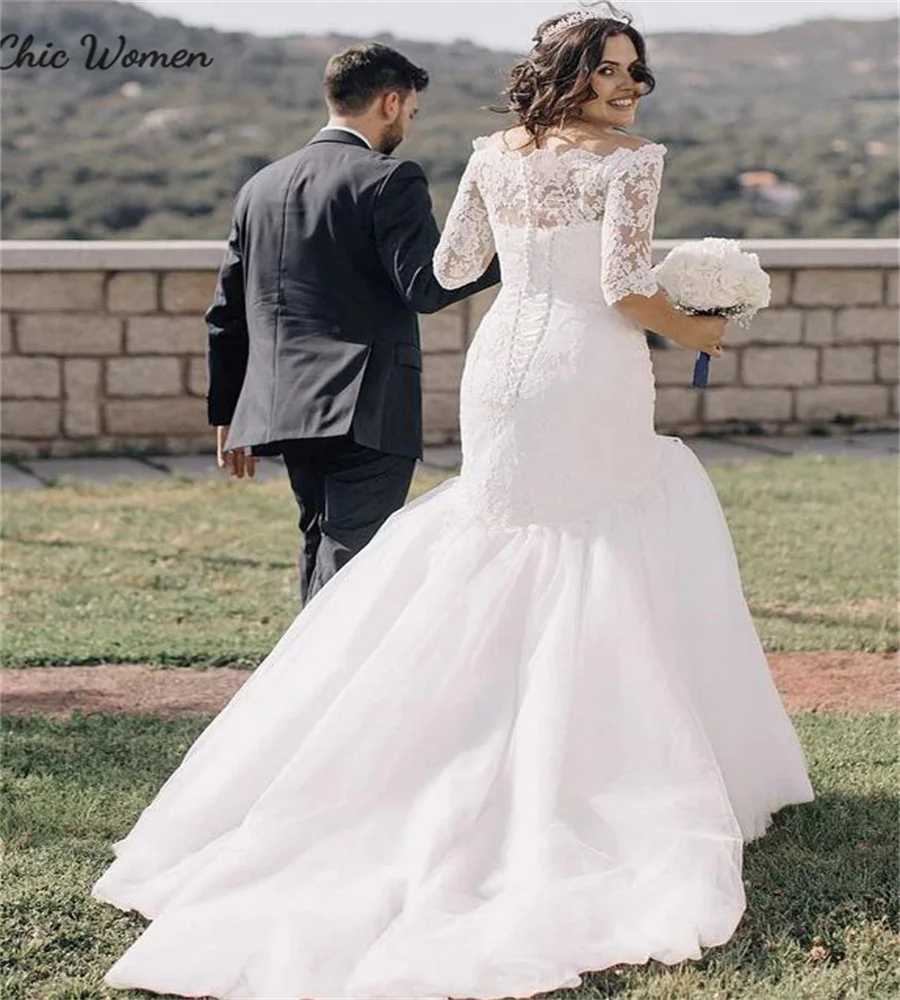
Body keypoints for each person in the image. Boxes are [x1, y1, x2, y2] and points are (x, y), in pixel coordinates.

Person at [92, 7, 814, 997]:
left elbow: (449, 271)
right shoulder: (632, 163)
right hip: (584, 366)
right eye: (612, 71)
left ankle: (431, 751)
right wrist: (697, 327)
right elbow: (616, 285)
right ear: (571, 70)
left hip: (501, 368)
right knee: (599, 536)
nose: (629, 88)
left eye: (637, 73)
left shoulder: (488, 151)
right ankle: (587, 776)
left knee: (503, 538)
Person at [205, 42, 500, 604]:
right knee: (352, 567)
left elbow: (226, 312)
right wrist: (517, 252)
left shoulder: (260, 187)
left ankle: (300, 685)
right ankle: (317, 688)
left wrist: (230, 410)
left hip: (281, 405)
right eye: (411, 113)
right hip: (367, 405)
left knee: (320, 544)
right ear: (391, 102)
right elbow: (427, 288)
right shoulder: (391, 178)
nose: (407, 127)